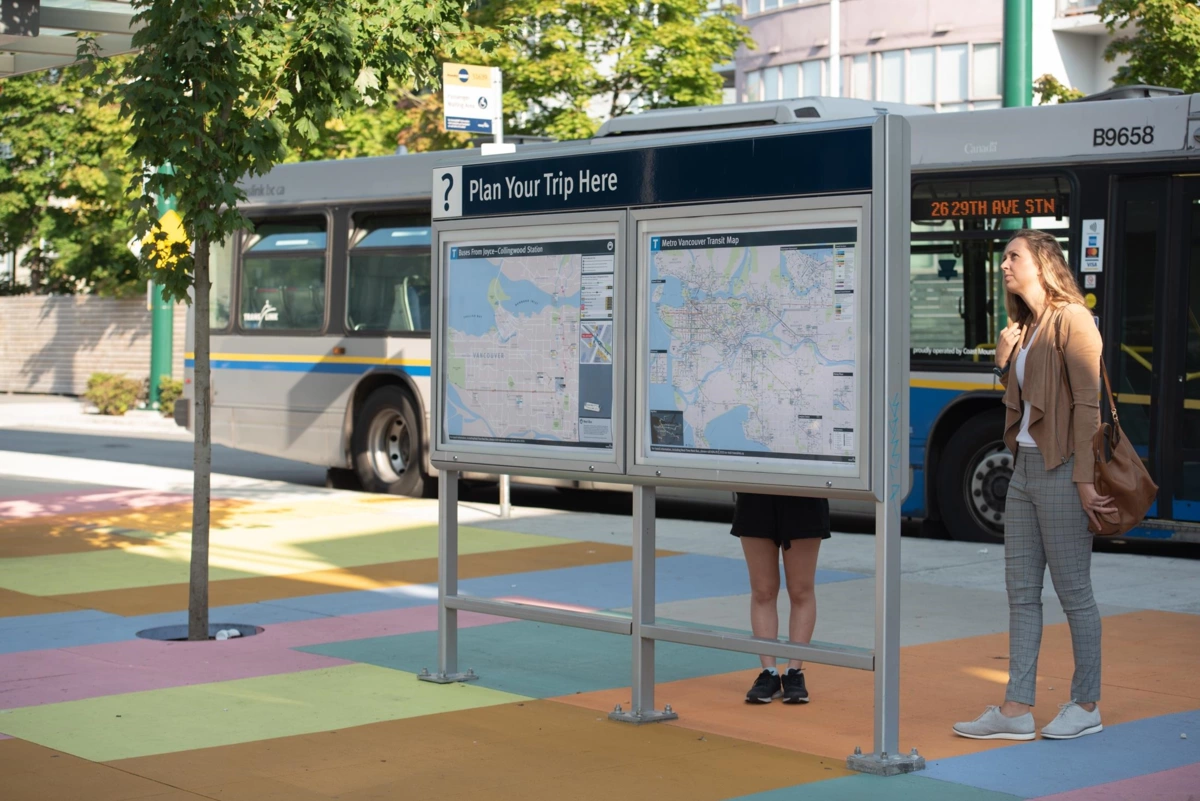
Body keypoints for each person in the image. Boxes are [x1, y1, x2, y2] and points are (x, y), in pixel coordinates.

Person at [953, 229, 1113, 742]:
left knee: (1074, 593)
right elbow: (1025, 403)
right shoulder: (1023, 327)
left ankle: (1086, 703)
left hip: (1064, 468)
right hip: (1022, 467)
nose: (1004, 266)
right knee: (1021, 593)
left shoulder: (1074, 320)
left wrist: (1086, 482)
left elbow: (1087, 409)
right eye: (1002, 259)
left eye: (1013, 257)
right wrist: (1003, 361)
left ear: (1043, 263)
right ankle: (1016, 709)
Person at [733, 491, 831, 704]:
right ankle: (769, 672)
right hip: (755, 493)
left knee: (801, 590)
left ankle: (794, 672)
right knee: (762, 591)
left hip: (804, 494)